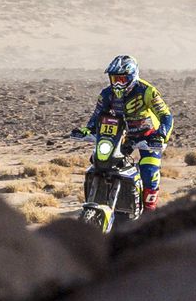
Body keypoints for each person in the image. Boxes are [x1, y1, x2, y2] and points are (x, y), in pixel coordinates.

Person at [69, 54, 174, 212]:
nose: (117, 83)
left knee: (149, 172)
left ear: (132, 77)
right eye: (114, 79)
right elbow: (97, 115)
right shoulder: (106, 94)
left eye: (122, 79)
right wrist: (87, 130)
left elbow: (166, 116)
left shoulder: (147, 91)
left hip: (149, 137)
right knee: (100, 163)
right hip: (122, 137)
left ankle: (149, 213)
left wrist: (160, 135)